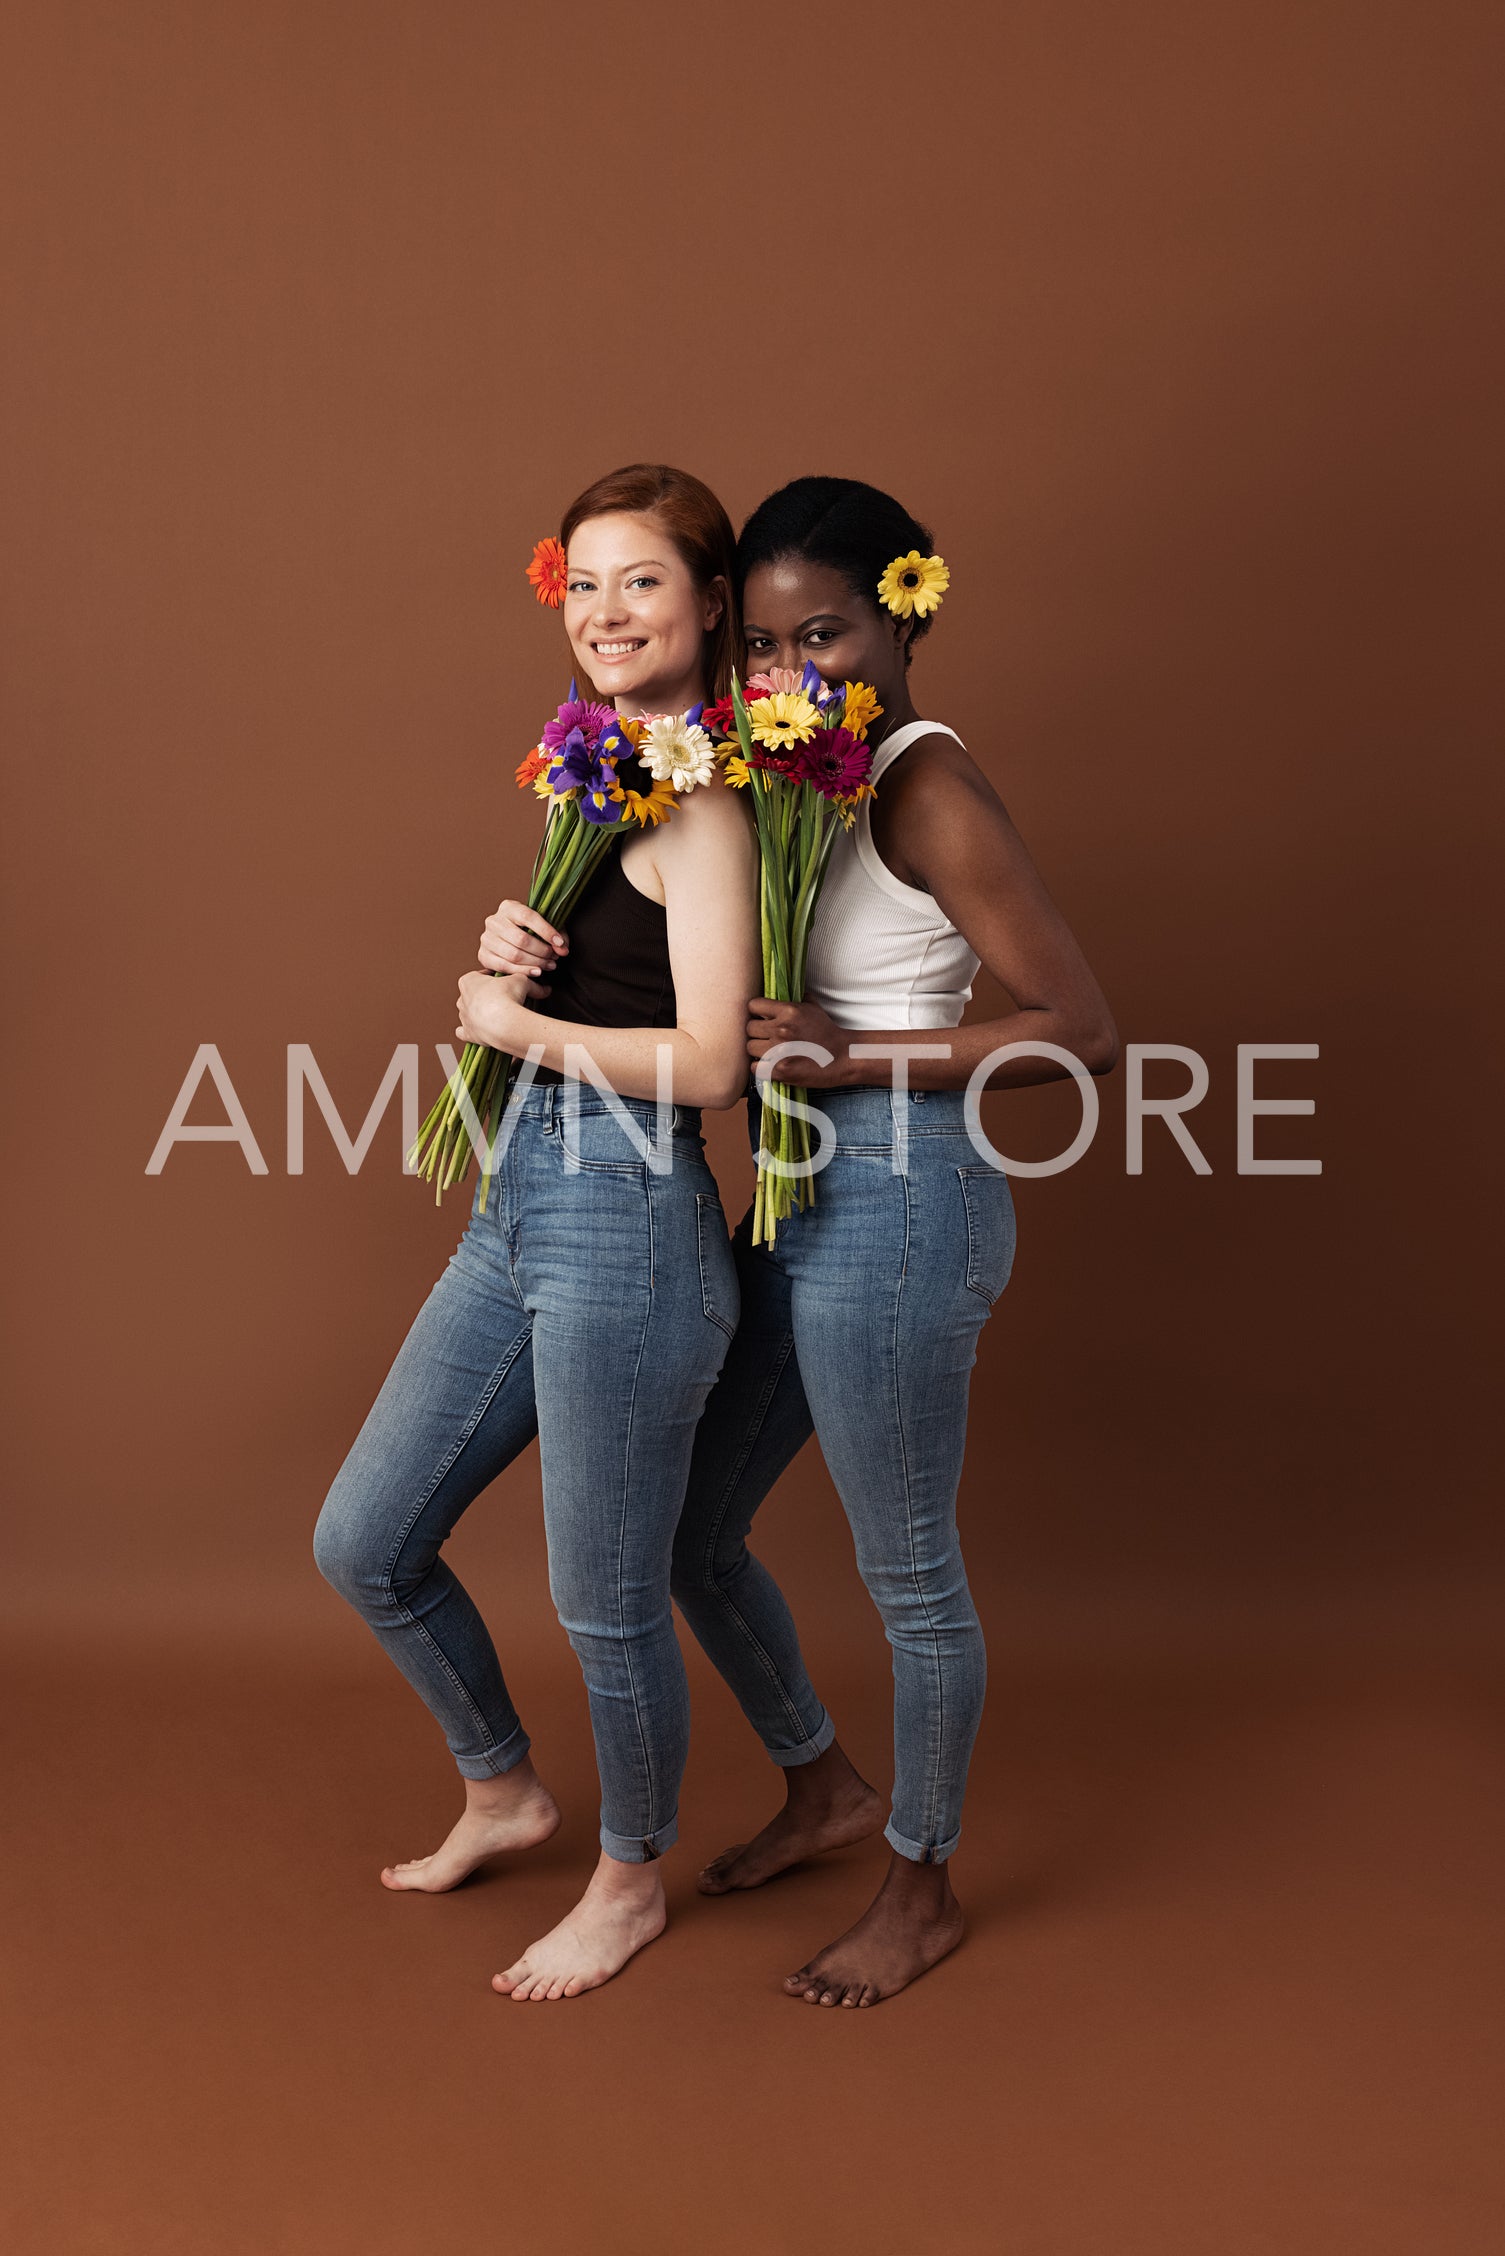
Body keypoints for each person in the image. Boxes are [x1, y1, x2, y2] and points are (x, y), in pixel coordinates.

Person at [671, 476, 1120, 2006]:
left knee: (910, 1578)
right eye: (766, 648)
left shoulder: (922, 781)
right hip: (799, 1191)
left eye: (830, 634)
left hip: (907, 1198)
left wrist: (844, 1056)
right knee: (688, 1528)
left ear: (903, 614)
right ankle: (824, 1787)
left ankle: (917, 1885)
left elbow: (1081, 1032)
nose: (797, 674)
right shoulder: (795, 773)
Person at [314, 463, 758, 2001]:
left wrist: (516, 1020)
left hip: (629, 1221)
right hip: (525, 1200)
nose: (601, 611)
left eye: (639, 581)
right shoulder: (607, 769)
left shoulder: (700, 802)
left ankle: (628, 1876)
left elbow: (707, 1064)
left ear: (710, 602)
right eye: (580, 583)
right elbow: (621, 985)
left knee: (606, 1598)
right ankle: (505, 1789)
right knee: (363, 1541)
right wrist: (524, 956)